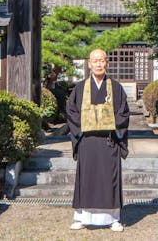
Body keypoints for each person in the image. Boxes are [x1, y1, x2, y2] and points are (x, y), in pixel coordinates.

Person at [66, 48, 130, 232]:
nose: (99, 64)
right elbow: (71, 111)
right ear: (89, 64)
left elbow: (123, 112)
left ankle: (113, 218)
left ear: (107, 63)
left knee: (110, 179)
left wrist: (107, 123)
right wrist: (86, 124)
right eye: (95, 61)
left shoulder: (116, 87)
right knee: (86, 179)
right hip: (88, 142)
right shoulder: (80, 88)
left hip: (108, 142)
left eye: (102, 60)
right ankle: (81, 216)